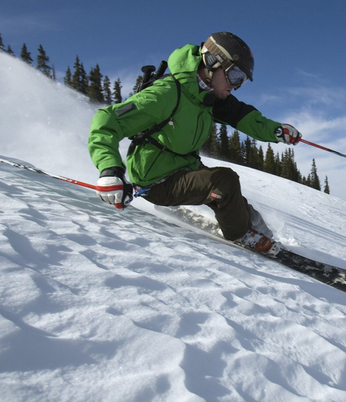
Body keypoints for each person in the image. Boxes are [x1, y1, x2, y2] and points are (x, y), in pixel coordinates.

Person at [88, 32, 302, 256]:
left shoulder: (207, 96)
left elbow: (244, 116)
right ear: (212, 62)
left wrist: (277, 131)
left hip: (184, 169)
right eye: (235, 75)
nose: (236, 86)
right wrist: (110, 169)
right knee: (224, 182)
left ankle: (263, 235)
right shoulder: (167, 93)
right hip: (156, 180)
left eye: (243, 81)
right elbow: (107, 121)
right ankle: (243, 235)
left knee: (237, 203)